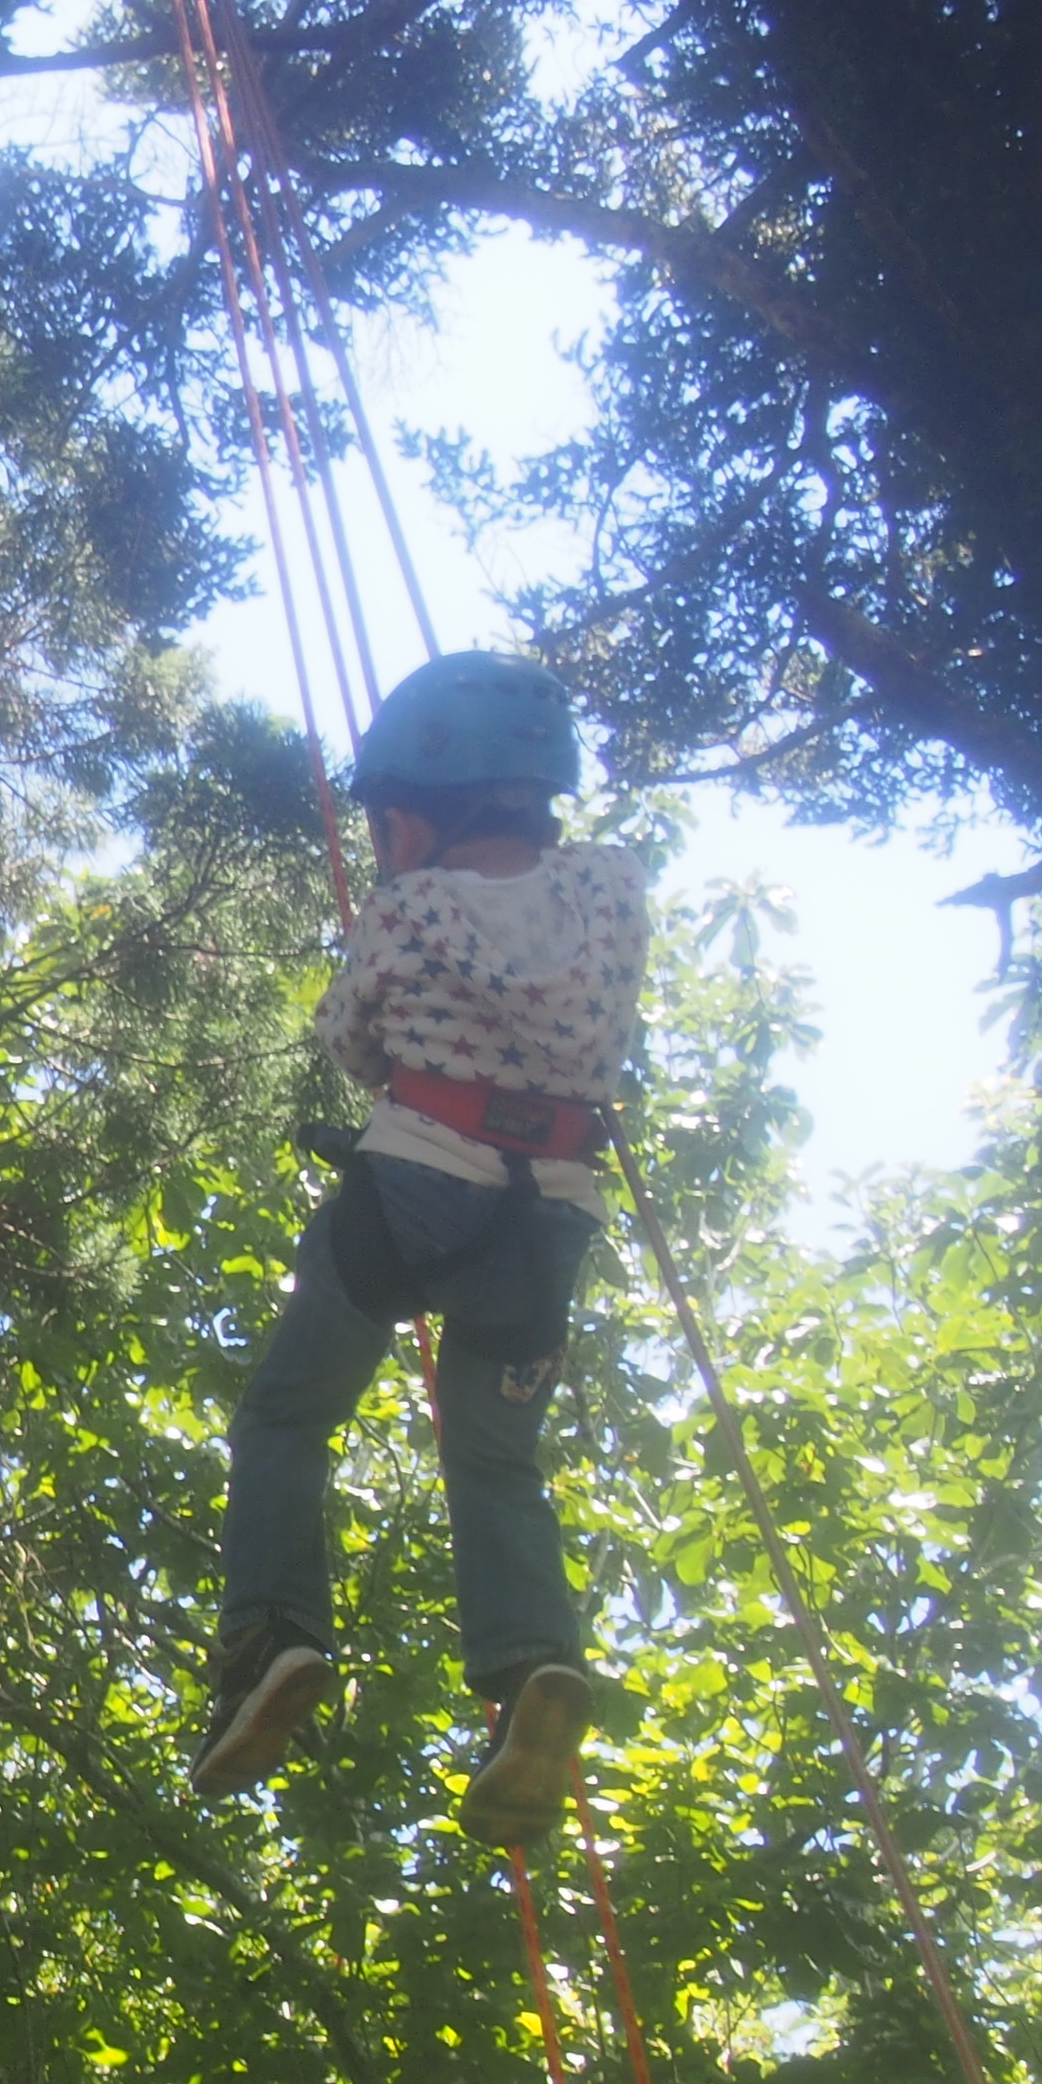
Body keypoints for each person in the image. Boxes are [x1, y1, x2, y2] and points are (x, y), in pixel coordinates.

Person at [193, 650, 647, 1845]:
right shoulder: (610, 885)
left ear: (417, 813)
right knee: (495, 1459)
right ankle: (533, 1666)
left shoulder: (407, 907)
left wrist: (403, 928)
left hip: (413, 1189)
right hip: (550, 1215)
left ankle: (273, 1637)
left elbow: (350, 1042)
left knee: (287, 1417)